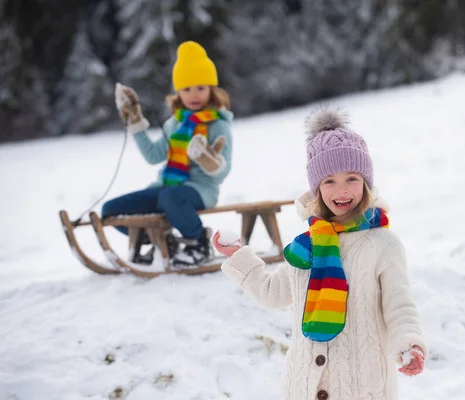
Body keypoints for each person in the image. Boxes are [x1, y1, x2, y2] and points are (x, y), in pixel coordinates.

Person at [212, 106, 427, 399]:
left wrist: (408, 344)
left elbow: (399, 306)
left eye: (352, 178)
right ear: (316, 188)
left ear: (366, 183)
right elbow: (273, 292)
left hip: (361, 387)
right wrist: (238, 255)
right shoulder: (308, 244)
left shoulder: (383, 244)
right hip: (304, 387)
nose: (342, 190)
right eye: (329, 181)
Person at [102, 41, 233, 267]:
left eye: (201, 88)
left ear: (212, 89)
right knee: (111, 210)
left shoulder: (218, 125)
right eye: (186, 89)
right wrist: (136, 125)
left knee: (169, 197)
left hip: (201, 189)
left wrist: (211, 163)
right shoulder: (173, 124)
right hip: (165, 187)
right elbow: (154, 156)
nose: (194, 95)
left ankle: (199, 242)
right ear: (178, 92)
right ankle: (161, 239)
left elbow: (221, 174)